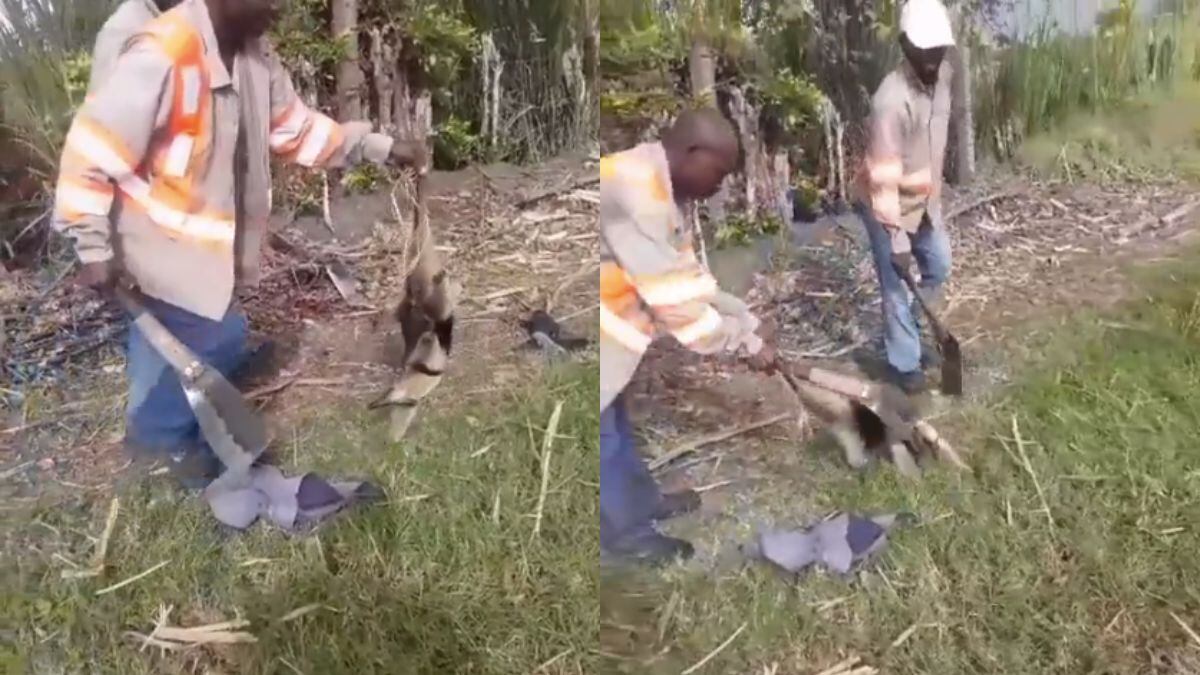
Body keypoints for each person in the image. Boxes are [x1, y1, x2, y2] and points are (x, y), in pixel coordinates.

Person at [52, 0, 429, 488]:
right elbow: (91, 153)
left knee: (207, 343)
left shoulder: (254, 56)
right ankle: (160, 463)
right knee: (187, 364)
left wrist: (377, 147)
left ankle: (179, 444)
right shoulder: (162, 51)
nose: (280, 5)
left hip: (212, 260)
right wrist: (92, 246)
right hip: (157, 255)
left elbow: (299, 130)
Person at [600, 108, 769, 566]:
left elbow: (687, 278)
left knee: (614, 422)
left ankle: (637, 502)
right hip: (601, 335)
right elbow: (677, 307)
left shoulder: (658, 186)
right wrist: (739, 345)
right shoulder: (640, 194)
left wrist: (742, 320)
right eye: (718, 172)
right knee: (603, 432)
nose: (721, 185)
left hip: (615, 337)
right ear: (693, 152)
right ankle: (624, 536)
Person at [855, 0, 956, 394]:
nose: (932, 59)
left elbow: (934, 146)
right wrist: (896, 240)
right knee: (896, 284)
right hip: (886, 203)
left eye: (938, 50)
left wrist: (935, 205)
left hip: (924, 201)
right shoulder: (890, 100)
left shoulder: (944, 77)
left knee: (939, 266)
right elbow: (883, 178)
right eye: (923, 50)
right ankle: (903, 363)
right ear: (904, 44)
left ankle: (910, 332)